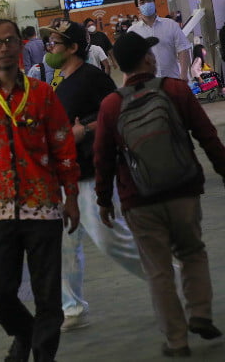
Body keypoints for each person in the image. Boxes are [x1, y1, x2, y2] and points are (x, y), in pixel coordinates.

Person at [0, 19, 80, 362]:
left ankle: (42, 355)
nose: (3, 47)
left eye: (9, 41)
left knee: (48, 295)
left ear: (20, 47)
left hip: (44, 207)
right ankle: (25, 335)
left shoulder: (43, 94)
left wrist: (72, 197)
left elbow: (63, 146)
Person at [94, 32, 225, 357]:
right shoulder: (175, 90)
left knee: (158, 269)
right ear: (149, 60)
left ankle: (177, 341)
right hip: (183, 191)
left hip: (139, 199)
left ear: (117, 67)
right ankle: (200, 314)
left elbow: (102, 158)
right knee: (193, 252)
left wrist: (103, 200)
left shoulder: (111, 106)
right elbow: (207, 136)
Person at [41, 20, 144, 332]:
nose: (50, 48)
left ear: (73, 48)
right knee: (63, 245)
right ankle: (71, 308)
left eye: (56, 43)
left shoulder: (92, 78)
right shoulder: (61, 82)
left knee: (113, 241)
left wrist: (83, 130)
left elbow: (118, 111)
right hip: (66, 176)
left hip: (90, 174)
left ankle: (172, 275)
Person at [127, 0, 190, 79]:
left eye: (149, 0)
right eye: (142, 2)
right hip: (148, 84)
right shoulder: (132, 32)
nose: (146, 4)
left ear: (154, 2)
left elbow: (183, 49)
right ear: (138, 8)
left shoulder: (170, 24)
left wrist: (183, 74)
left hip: (173, 79)